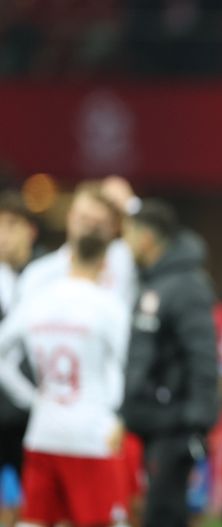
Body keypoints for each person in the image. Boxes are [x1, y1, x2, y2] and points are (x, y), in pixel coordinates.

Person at [0, 232, 130, 527]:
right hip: (92, 434)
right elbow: (126, 365)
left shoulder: (37, 301)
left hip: (44, 430)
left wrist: (29, 397)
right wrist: (118, 414)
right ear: (104, 264)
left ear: (69, 258)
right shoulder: (108, 305)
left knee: (35, 521)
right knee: (102, 521)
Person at [120, 200, 219, 527]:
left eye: (129, 235)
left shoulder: (185, 286)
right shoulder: (157, 282)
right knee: (156, 513)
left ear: (147, 237)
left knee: (165, 514)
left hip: (175, 424)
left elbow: (203, 355)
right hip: (155, 422)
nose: (125, 244)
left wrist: (197, 419)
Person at [17, 181, 136, 309]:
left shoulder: (123, 262)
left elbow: (145, 239)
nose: (90, 229)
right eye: (84, 219)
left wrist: (132, 206)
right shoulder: (40, 274)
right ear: (70, 217)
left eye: (98, 223)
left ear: (113, 227)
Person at [0, 191, 39, 522]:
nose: (3, 235)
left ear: (30, 230)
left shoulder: (47, 277)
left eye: (11, 225)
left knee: (37, 509)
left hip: (35, 417)